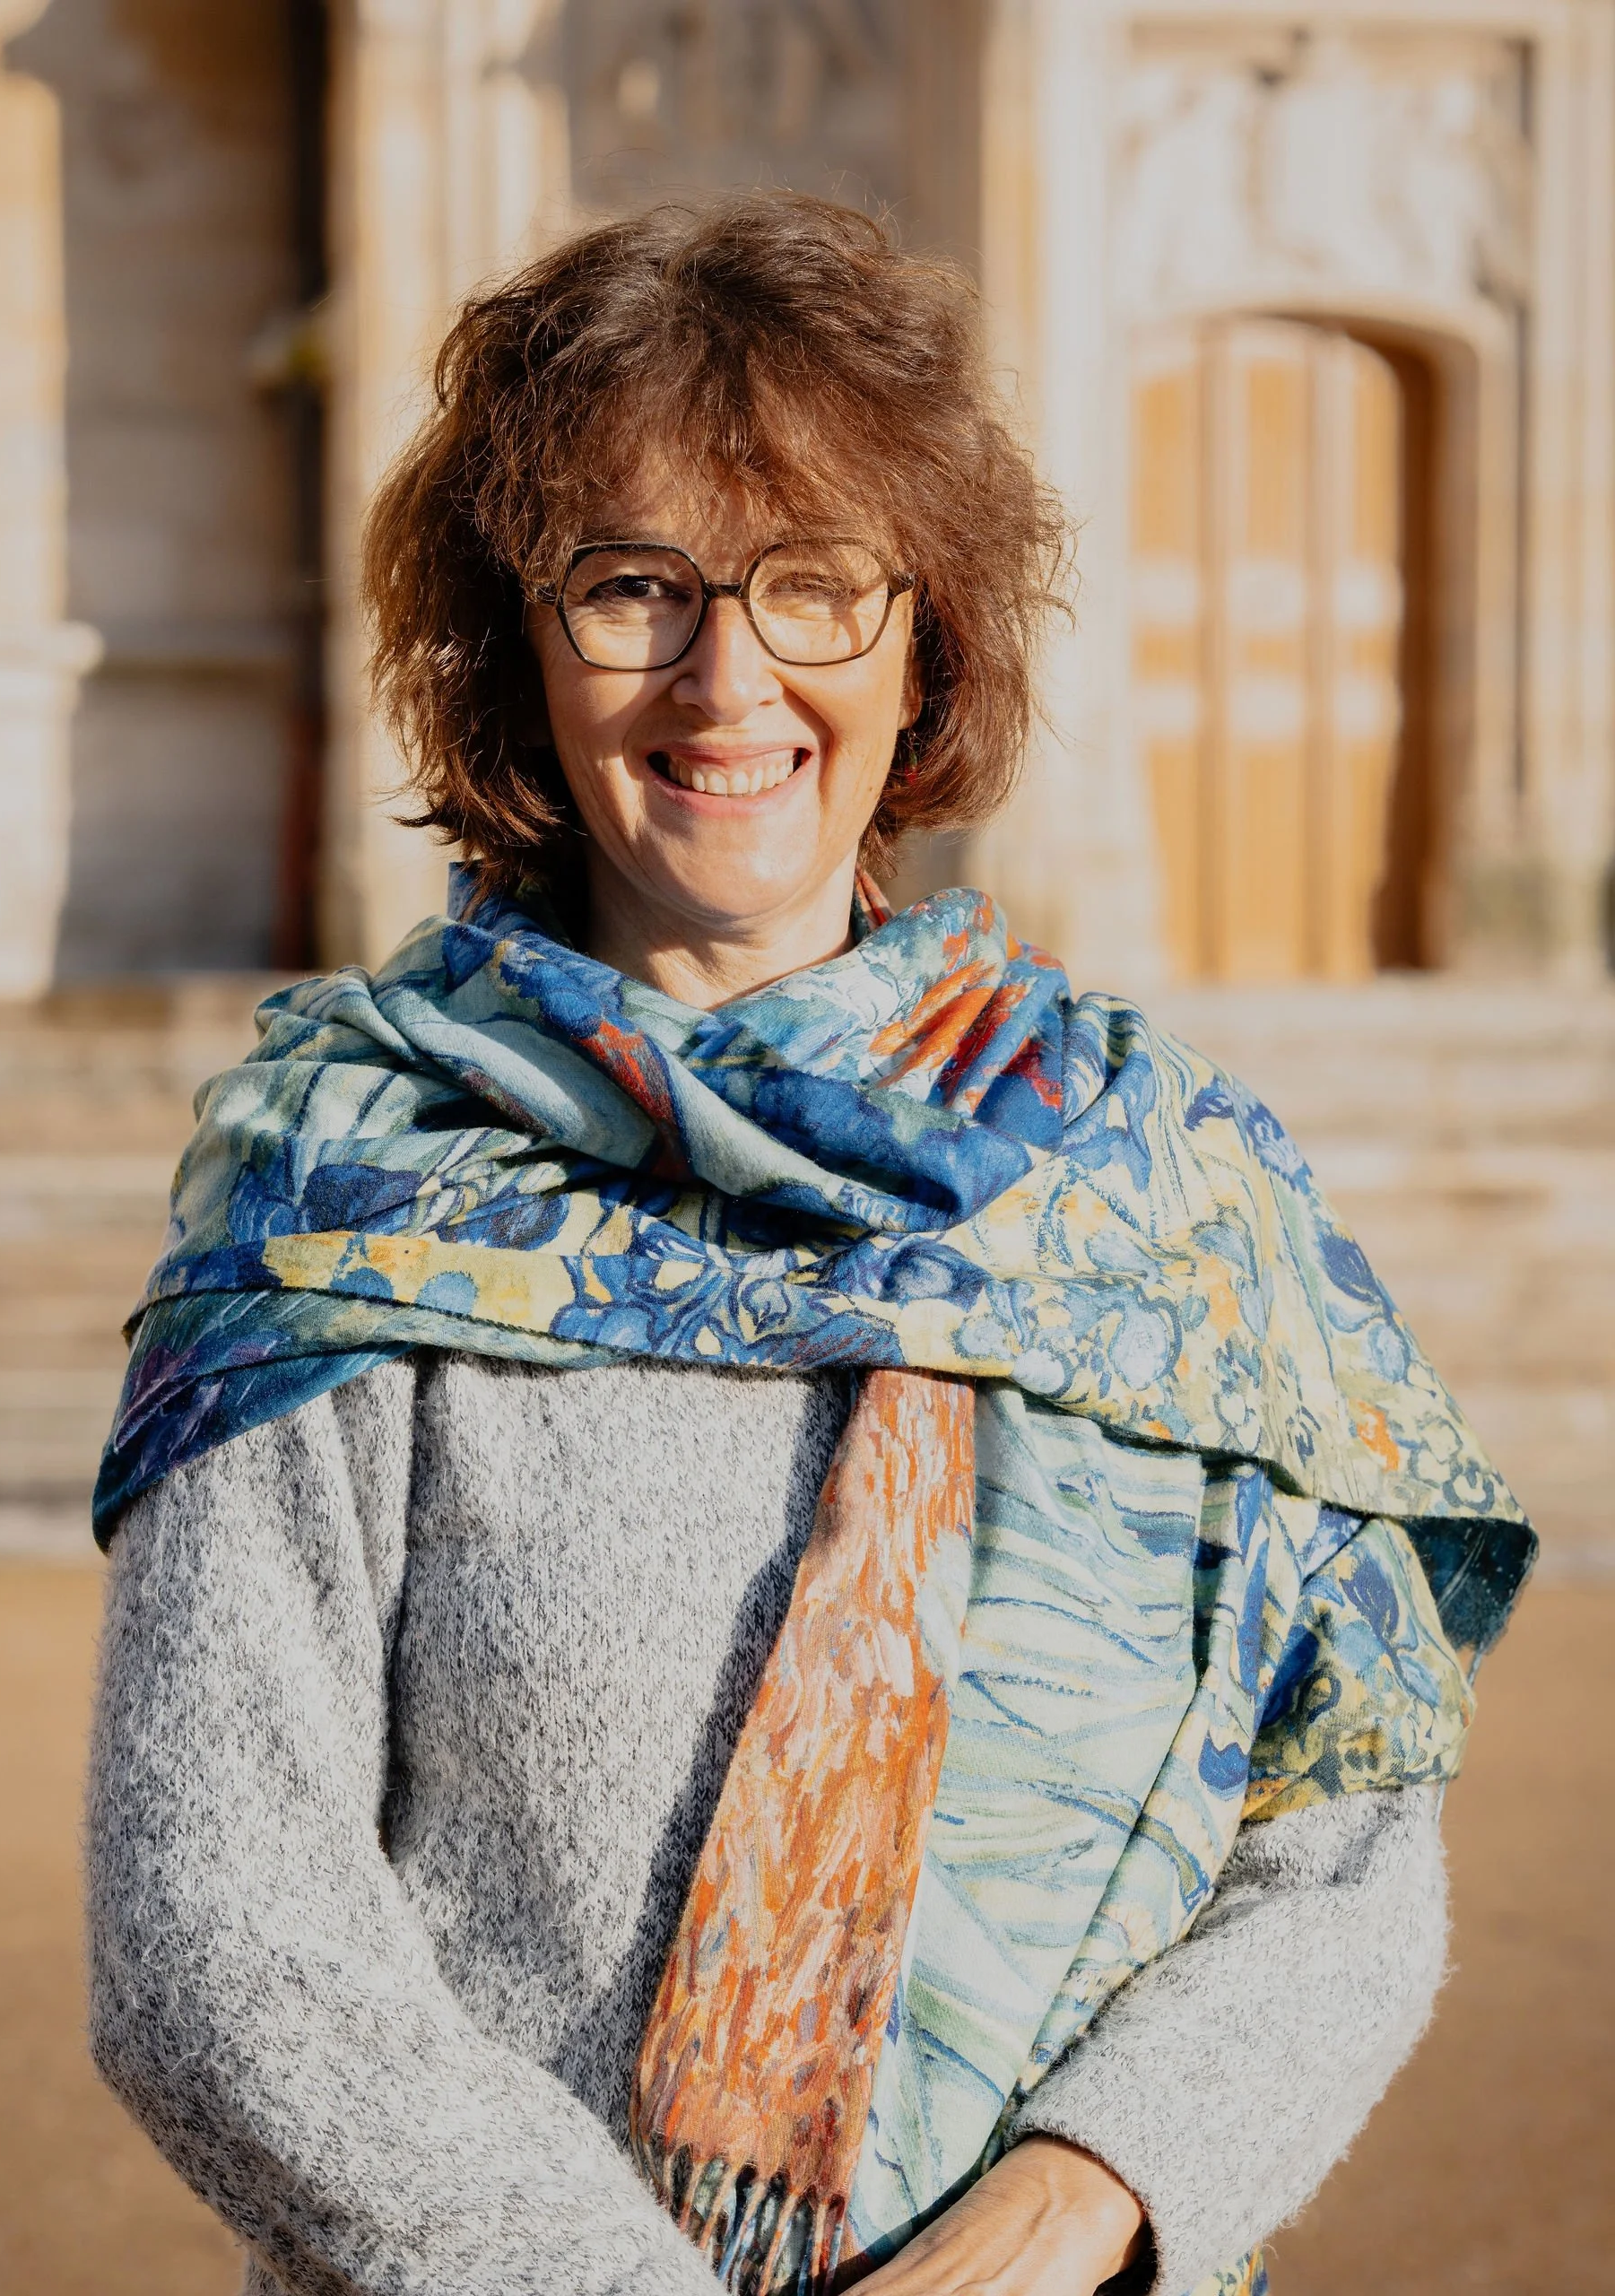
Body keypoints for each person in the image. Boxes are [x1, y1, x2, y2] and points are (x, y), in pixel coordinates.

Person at [84, 196, 1530, 2296]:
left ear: (925, 636)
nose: (726, 673)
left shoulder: (1157, 1200)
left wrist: (1073, 2206)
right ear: (516, 644)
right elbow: (217, 1931)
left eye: (813, 582)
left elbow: (1342, 1850)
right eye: (630, 587)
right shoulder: (345, 1185)